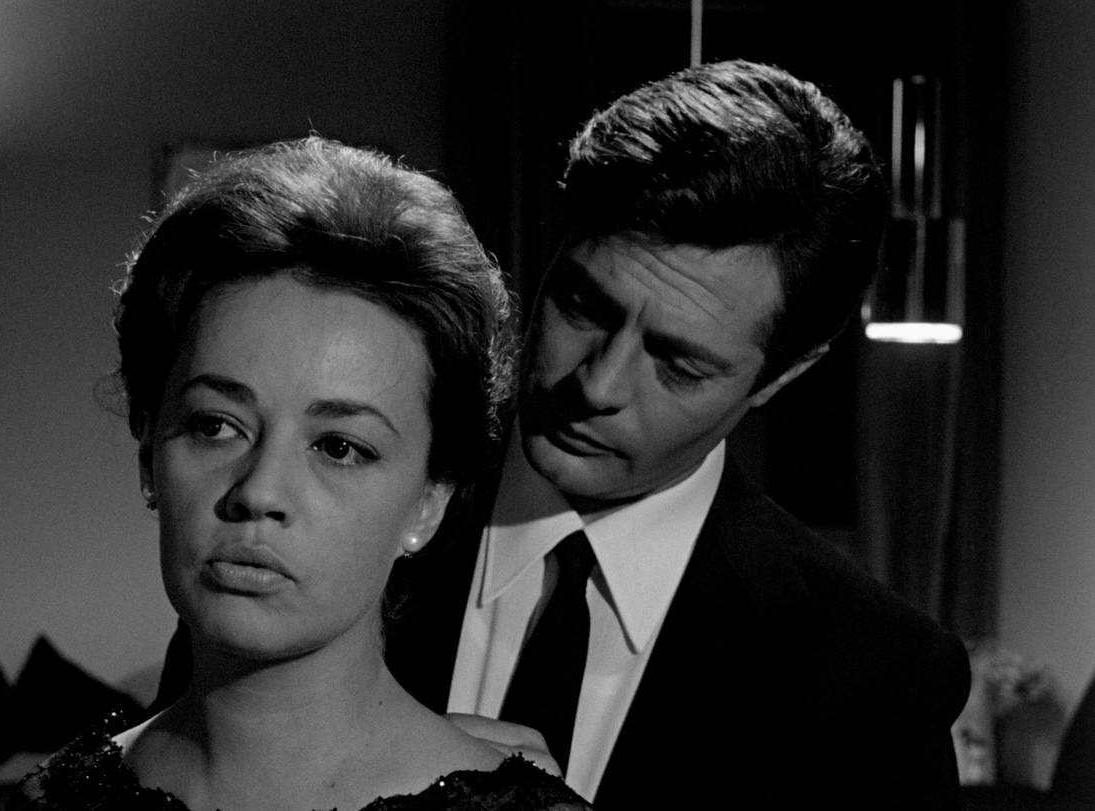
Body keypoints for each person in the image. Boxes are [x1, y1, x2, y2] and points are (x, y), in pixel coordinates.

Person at [381, 60, 971, 806]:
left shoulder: (876, 679)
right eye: (582, 305)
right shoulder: (360, 507)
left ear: (781, 377)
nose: (597, 386)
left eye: (679, 363)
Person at [14, 137, 590, 810]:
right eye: (215, 425)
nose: (259, 492)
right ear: (149, 451)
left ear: (429, 501)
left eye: (339, 447)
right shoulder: (53, 796)